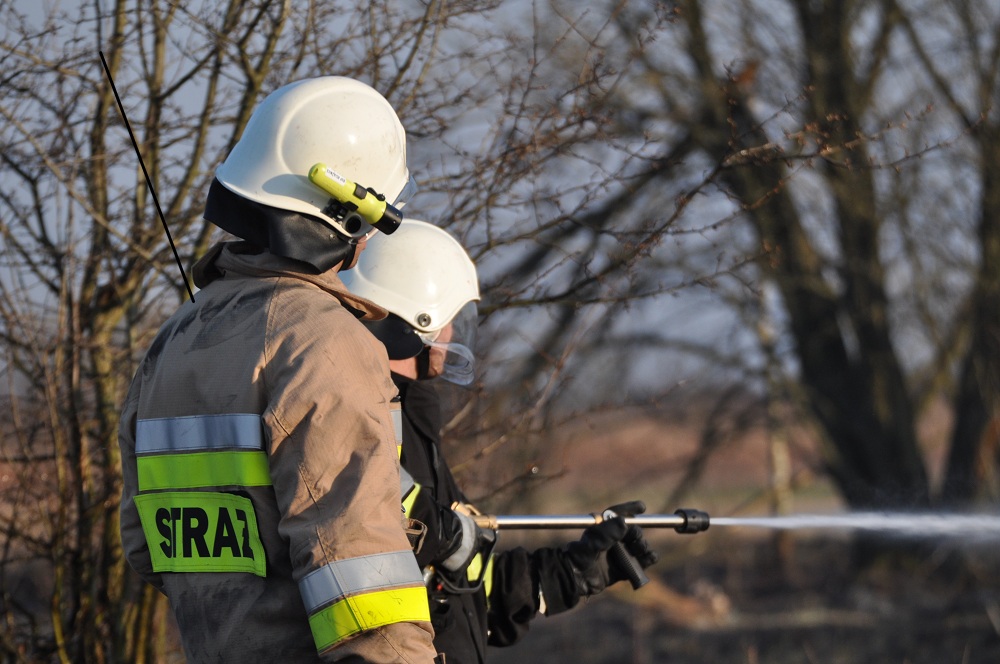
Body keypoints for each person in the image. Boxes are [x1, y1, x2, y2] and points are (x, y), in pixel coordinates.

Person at [118, 77, 438, 662]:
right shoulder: (322, 342)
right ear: (349, 210)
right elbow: (362, 580)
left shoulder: (172, 341)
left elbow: (145, 548)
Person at [340, 220, 658, 663]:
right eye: (452, 319)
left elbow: (461, 582)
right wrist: (439, 534)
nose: (453, 336)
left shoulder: (411, 421)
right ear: (419, 319)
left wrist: (572, 571)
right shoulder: (364, 419)